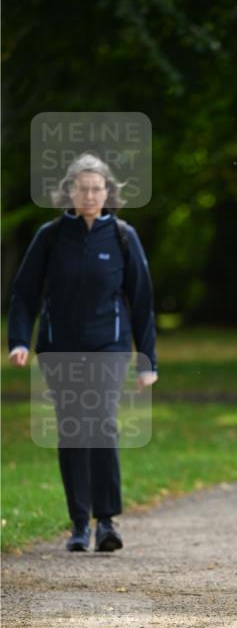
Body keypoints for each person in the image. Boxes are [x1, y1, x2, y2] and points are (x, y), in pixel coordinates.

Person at [7, 153, 158, 554]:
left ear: (108, 192)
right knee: (72, 430)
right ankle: (78, 524)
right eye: (82, 188)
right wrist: (19, 341)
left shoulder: (123, 236)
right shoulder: (51, 236)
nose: (89, 195)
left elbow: (142, 301)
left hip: (109, 347)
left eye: (97, 188)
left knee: (102, 424)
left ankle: (106, 521)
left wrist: (148, 361)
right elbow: (24, 294)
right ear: (70, 192)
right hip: (58, 350)